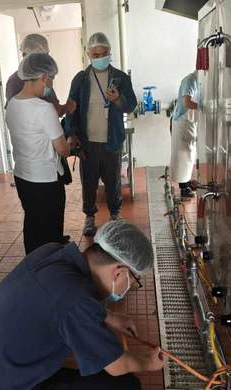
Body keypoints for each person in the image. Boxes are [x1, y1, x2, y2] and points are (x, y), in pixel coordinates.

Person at [0, 220, 166, 390]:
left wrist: (110, 317)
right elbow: (117, 365)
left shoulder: (54, 252)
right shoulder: (76, 301)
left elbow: (63, 298)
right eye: (134, 281)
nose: (129, 288)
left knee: (95, 380)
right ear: (119, 272)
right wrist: (148, 362)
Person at [65, 32, 138, 237]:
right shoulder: (81, 79)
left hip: (112, 141)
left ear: (109, 52)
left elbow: (131, 105)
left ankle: (115, 214)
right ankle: (89, 217)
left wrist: (118, 99)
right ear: (88, 54)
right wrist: (71, 133)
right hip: (87, 142)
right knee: (89, 183)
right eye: (95, 55)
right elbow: (71, 109)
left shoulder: (121, 78)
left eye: (103, 54)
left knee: (113, 181)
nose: (99, 58)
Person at [6, 53, 71, 255]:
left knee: (32, 223)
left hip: (23, 177)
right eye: (51, 79)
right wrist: (69, 143)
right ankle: (50, 266)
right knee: (51, 231)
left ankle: (33, 263)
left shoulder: (11, 105)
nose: (51, 85)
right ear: (43, 77)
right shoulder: (44, 109)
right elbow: (62, 149)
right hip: (46, 180)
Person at [5, 33, 75, 117]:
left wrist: (66, 107)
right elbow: (16, 116)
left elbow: (55, 108)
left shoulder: (44, 78)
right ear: (25, 56)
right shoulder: (15, 82)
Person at [169, 71, 200, 198]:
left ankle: (186, 183)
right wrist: (204, 107)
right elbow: (187, 102)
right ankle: (184, 187)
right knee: (183, 156)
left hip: (189, 121)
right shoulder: (191, 80)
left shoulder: (199, 81)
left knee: (189, 155)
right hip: (183, 121)